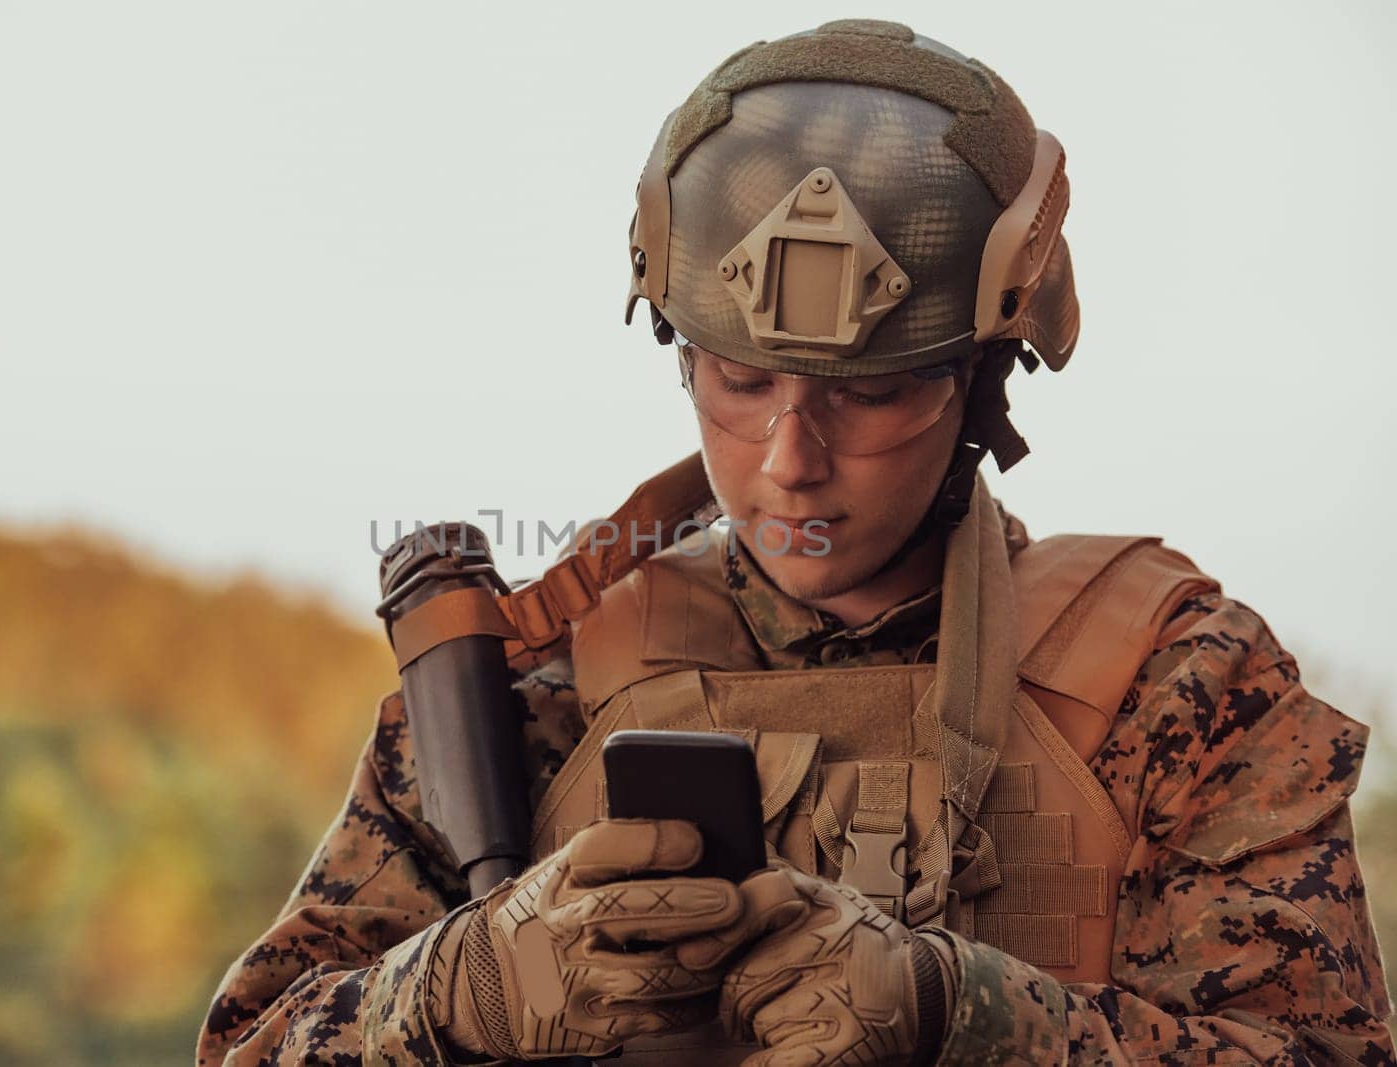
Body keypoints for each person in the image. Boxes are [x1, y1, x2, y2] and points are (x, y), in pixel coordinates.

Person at [196, 20, 1392, 1065]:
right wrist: (459, 991)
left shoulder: (1167, 682)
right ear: (677, 350)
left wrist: (961, 1015)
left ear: (982, 384)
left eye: (869, 394)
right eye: (738, 377)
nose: (788, 458)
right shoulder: (526, 687)